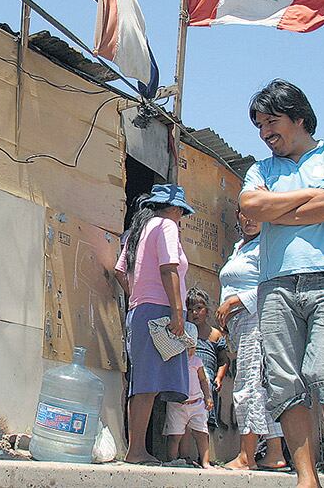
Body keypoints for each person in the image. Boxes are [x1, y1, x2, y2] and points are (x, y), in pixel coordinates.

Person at [238, 79, 324, 488]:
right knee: (284, 382)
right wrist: (314, 198)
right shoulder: (260, 168)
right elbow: (250, 206)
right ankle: (306, 476)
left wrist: (280, 211)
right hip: (274, 284)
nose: (265, 133)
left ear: (299, 118)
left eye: (272, 122)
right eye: (260, 126)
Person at [113, 183, 193, 465]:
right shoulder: (167, 226)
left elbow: (120, 271)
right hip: (160, 310)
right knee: (148, 385)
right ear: (174, 208)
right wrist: (178, 312)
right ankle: (136, 451)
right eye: (181, 212)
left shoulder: (138, 231)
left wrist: (137, 296)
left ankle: (136, 448)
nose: (181, 218)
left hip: (140, 311)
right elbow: (169, 267)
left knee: (144, 382)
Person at [216, 209, 288, 471]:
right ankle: (275, 453)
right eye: (245, 215)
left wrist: (235, 301)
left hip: (256, 322)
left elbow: (272, 284)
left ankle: (247, 456)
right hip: (239, 324)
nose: (250, 220)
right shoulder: (239, 247)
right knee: (259, 387)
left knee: (249, 386)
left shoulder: (267, 245)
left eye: (256, 215)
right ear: (237, 216)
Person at [164, 322, 213, 468]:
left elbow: (203, 380)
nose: (189, 351)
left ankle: (205, 462)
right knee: (174, 436)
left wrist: (208, 396)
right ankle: (171, 460)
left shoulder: (197, 361)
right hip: (178, 404)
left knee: (202, 434)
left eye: (192, 347)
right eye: (186, 348)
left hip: (197, 403)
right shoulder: (173, 361)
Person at [186, 287, 226, 462]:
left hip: (206, 384)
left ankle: (204, 458)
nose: (194, 313)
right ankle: (184, 455)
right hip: (187, 381)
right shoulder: (184, 331)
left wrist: (219, 377)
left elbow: (224, 360)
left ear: (207, 311)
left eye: (199, 308)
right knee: (183, 420)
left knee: (202, 422)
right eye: (190, 309)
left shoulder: (214, 335)